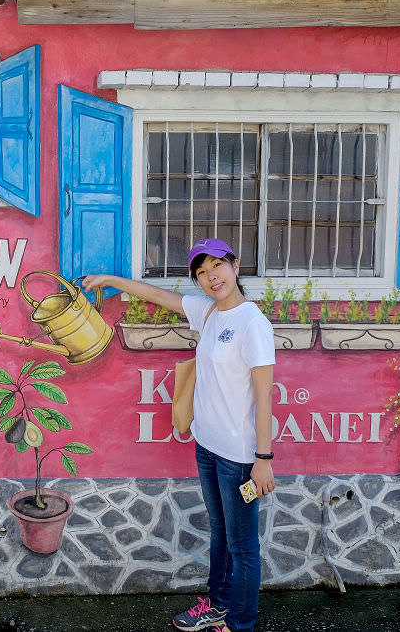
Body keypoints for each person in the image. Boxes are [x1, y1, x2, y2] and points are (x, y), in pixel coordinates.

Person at [82, 238, 275, 632]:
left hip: (239, 458)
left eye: (217, 267)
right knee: (220, 533)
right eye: (202, 273)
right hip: (207, 445)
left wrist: (263, 459)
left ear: (235, 266)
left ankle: (240, 625)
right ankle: (217, 605)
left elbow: (264, 395)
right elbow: (156, 294)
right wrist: (109, 279)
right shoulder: (208, 313)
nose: (211, 277)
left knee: (243, 546)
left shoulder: (253, 323)